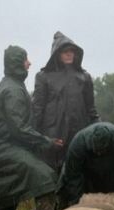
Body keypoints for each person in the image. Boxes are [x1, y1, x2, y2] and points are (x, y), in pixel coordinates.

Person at [0, 45, 63, 210]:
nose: (29, 63)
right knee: (47, 180)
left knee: (0, 199)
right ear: (18, 63)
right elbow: (19, 129)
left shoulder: (11, 85)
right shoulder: (13, 90)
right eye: (26, 59)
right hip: (2, 150)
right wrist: (46, 142)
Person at [32, 31, 99, 173]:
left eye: (72, 51)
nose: (69, 54)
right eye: (65, 51)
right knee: (52, 176)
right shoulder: (43, 77)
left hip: (79, 135)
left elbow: (91, 110)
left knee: (78, 175)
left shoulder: (84, 77)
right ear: (57, 53)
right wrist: (36, 137)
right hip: (53, 136)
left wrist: (99, 130)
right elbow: (37, 110)